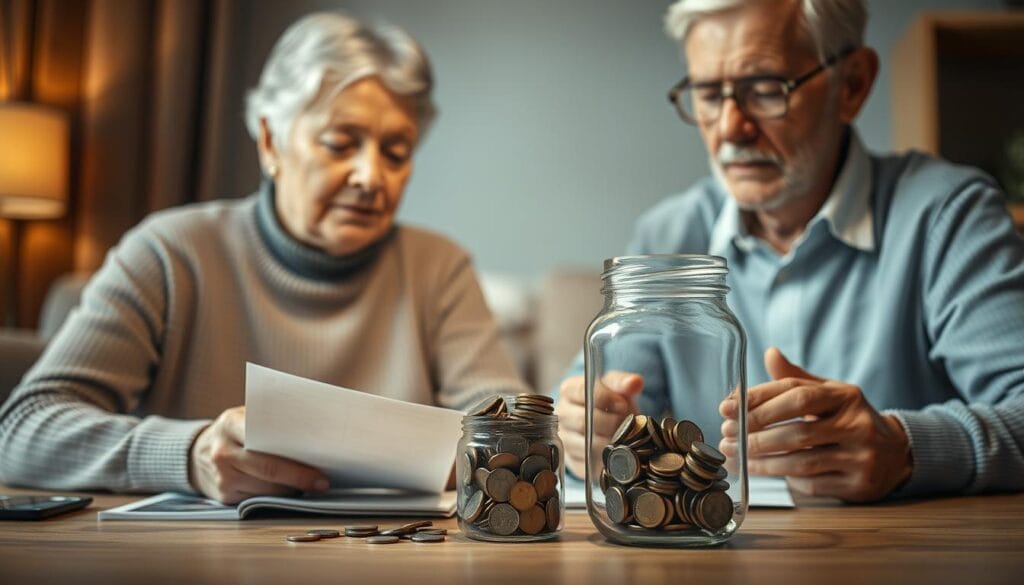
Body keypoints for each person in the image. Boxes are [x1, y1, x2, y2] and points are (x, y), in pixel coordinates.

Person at [0, 12, 528, 503]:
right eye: (340, 143)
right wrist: (189, 455)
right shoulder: (169, 252)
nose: (372, 178)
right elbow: (23, 428)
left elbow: (513, 427)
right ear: (272, 143)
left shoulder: (439, 266)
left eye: (396, 153)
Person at [556, 0, 1024, 502]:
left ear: (853, 85)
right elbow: (593, 416)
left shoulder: (948, 216)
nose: (731, 128)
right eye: (709, 95)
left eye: (765, 90)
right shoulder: (668, 235)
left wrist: (906, 448)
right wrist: (587, 433)